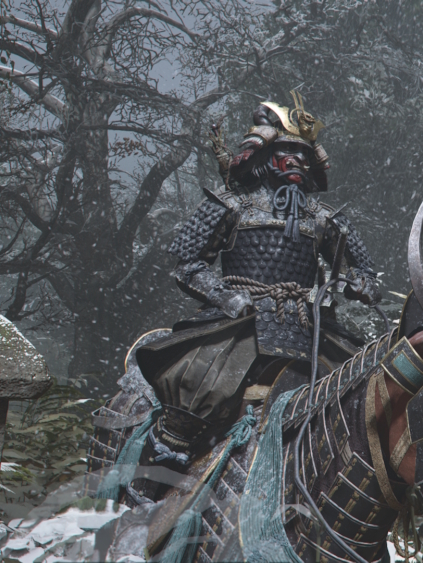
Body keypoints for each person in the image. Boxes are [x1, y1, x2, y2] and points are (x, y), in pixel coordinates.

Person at [132, 92, 381, 468]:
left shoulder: (325, 217)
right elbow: (187, 264)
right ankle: (153, 479)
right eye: (288, 151)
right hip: (240, 322)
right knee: (195, 388)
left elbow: (365, 272)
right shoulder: (230, 204)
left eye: (304, 154)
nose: (298, 160)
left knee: (366, 394)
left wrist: (361, 284)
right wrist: (225, 297)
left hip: (308, 328)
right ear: (264, 154)